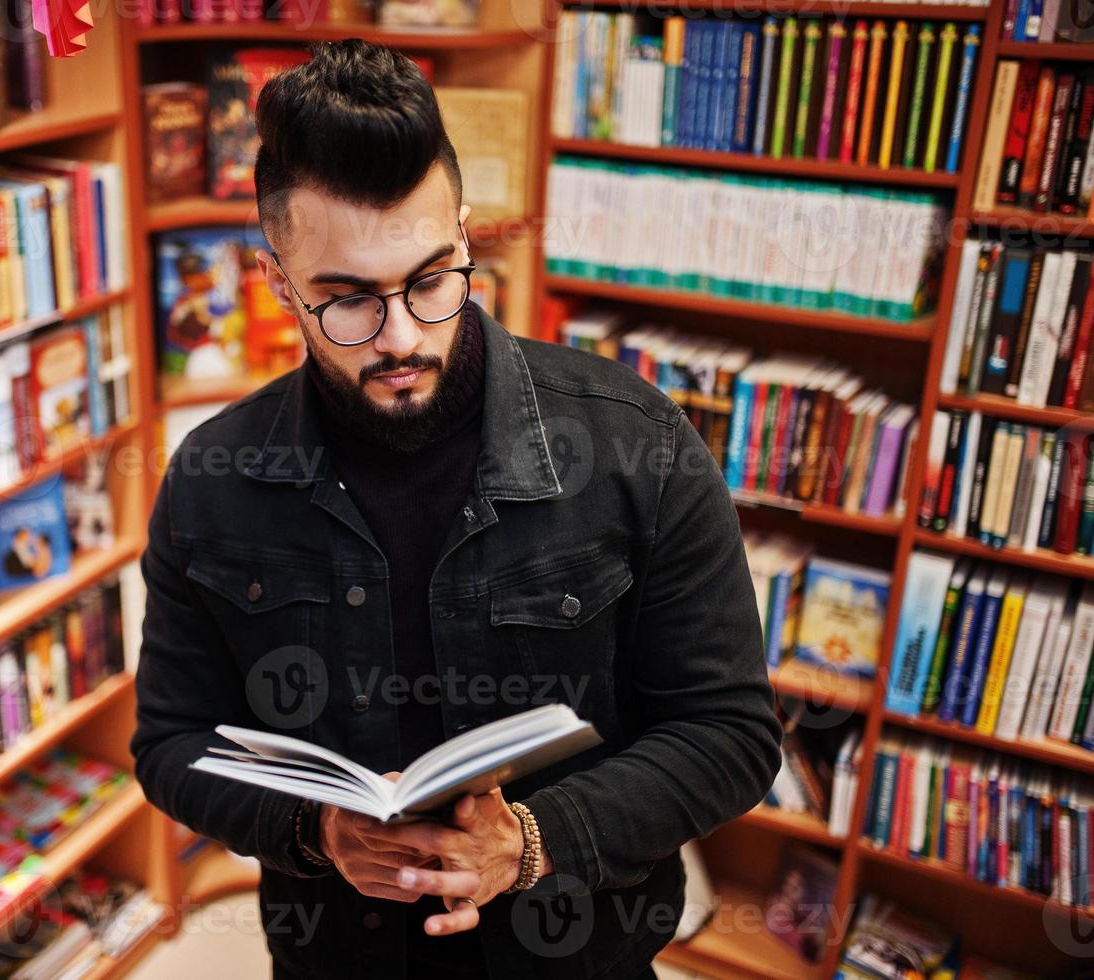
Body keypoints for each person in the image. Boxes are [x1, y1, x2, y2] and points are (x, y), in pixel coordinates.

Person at [131, 38, 783, 979]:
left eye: (432, 280)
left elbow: (728, 733)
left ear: (466, 238)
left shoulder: (634, 440)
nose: (401, 337)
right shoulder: (211, 476)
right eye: (347, 300)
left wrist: (529, 840)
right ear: (277, 284)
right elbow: (170, 742)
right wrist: (314, 829)